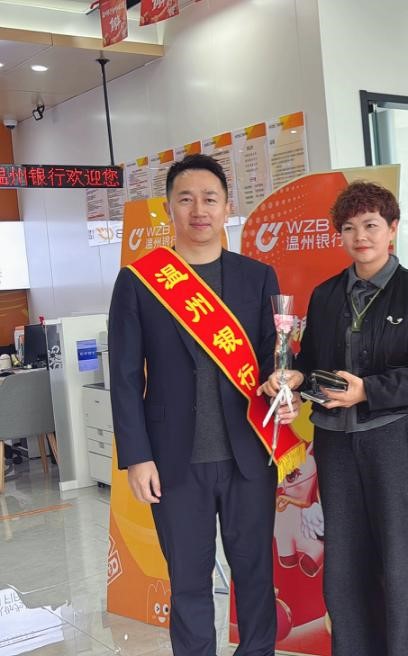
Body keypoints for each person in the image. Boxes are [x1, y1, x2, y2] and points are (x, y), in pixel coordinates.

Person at [110, 154, 297, 656]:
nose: (199, 210)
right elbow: (124, 378)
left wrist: (286, 386)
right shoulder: (140, 281)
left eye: (210, 199)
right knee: (188, 582)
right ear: (168, 208)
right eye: (186, 199)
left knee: (254, 573)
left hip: (248, 455)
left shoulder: (257, 277)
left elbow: (275, 356)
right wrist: (137, 457)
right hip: (173, 461)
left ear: (227, 207)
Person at [261, 181, 408, 655]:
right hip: (336, 447)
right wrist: (294, 378)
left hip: (396, 445)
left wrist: (368, 390)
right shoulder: (327, 295)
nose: (360, 236)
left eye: (370, 225)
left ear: (393, 228)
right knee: (346, 570)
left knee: (403, 567)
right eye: (349, 228)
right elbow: (313, 362)